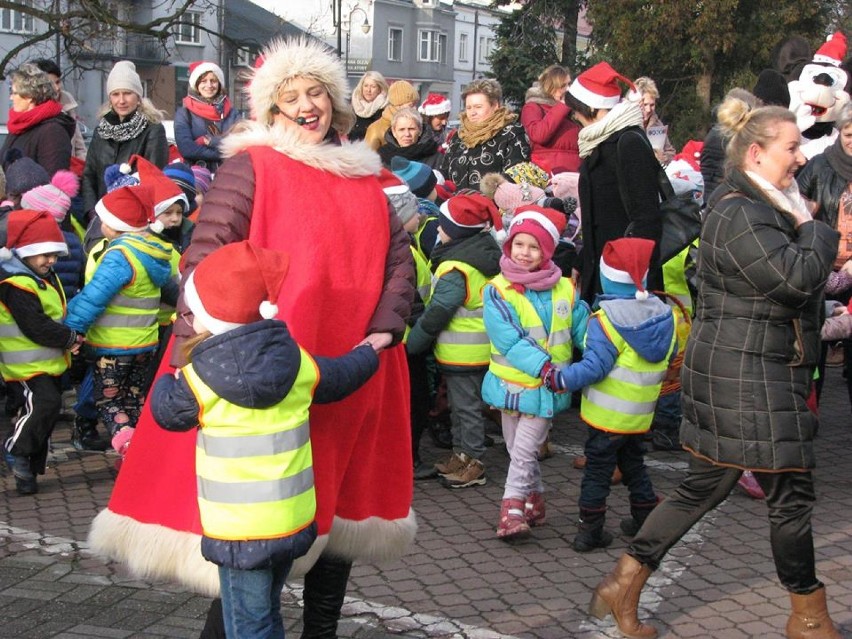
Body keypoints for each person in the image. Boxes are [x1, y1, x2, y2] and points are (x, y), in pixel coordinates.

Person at [86, 37, 416, 639]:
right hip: (268, 364)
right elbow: (206, 259)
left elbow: (400, 263)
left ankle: (320, 632)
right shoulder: (252, 166)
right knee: (261, 524)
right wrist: (204, 346)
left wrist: (384, 331)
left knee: (337, 510)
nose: (306, 105)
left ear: (336, 103)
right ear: (272, 111)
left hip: (355, 362)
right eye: (291, 96)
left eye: (316, 92)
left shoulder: (370, 181)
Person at [589, 97, 841, 639]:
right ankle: (810, 616)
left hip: (749, 368)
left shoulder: (767, 204)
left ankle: (623, 583)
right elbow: (794, 279)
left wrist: (815, 236)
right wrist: (824, 235)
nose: (801, 157)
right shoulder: (741, 210)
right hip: (749, 375)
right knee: (789, 496)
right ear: (756, 153)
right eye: (791, 147)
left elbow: (783, 278)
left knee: (704, 485)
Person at [151, 240, 380, 639]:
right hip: (290, 518)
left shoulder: (197, 381)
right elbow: (341, 376)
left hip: (239, 530)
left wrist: (162, 384)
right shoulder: (297, 363)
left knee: (249, 624)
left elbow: (167, 414)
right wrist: (369, 352)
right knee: (265, 609)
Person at [556, 238, 676, 553]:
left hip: (607, 415)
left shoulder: (606, 321)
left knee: (597, 471)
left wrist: (561, 379)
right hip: (640, 412)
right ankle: (644, 516)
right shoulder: (665, 314)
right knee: (634, 462)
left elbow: (594, 367)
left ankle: (590, 531)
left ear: (607, 276)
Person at [481, 205, 589, 540]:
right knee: (517, 451)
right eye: (519, 244)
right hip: (511, 385)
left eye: (534, 247)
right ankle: (535, 501)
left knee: (524, 452)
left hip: (548, 388)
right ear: (508, 246)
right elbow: (508, 340)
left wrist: (604, 351)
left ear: (547, 251)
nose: (525, 253)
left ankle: (510, 511)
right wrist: (544, 368)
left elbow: (583, 329)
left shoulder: (565, 290)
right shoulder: (496, 290)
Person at [64, 183, 174, 459]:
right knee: (134, 399)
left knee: (109, 401)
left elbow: (94, 296)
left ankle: (128, 450)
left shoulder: (119, 256)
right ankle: (144, 449)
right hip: (145, 344)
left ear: (113, 226)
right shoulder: (151, 253)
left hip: (114, 347)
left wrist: (71, 328)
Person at [407, 193, 503, 489]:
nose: (437, 230)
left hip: (462, 352)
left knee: (466, 409)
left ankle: (473, 462)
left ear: (458, 231)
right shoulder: (482, 254)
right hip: (476, 349)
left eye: (443, 225)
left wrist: (416, 342)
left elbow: (440, 310)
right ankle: (461, 456)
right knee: (463, 407)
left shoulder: (456, 267)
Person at [564, 62, 663, 305]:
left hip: (626, 277)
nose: (575, 116)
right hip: (602, 266)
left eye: (577, 110)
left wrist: (626, 271)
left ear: (594, 107)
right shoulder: (600, 139)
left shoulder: (627, 142)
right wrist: (583, 260)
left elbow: (646, 218)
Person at [0, 209, 81, 494]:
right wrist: (69, 337)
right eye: (44, 254)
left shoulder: (40, 277)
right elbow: (36, 325)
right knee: (45, 405)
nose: (51, 260)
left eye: (54, 254)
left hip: (46, 362)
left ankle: (27, 473)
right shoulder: (16, 284)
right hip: (24, 367)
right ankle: (15, 451)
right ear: (24, 252)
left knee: (44, 415)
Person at [797, 102, 852, 408]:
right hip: (826, 270)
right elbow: (800, 214)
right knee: (815, 344)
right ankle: (811, 410)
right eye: (848, 133)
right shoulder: (819, 166)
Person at [81, 60, 168, 220]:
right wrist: (91, 212)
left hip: (135, 217)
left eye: (127, 93)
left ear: (138, 96)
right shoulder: (102, 130)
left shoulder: (153, 129)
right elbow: (89, 175)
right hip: (100, 215)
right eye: (115, 94)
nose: (121, 100)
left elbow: (153, 177)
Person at [441, 79, 530, 191]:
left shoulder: (511, 133)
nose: (472, 113)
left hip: (493, 206)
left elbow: (515, 178)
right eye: (469, 107)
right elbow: (444, 174)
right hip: (455, 205)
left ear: (495, 105)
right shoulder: (459, 136)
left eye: (478, 107)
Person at [0, 63, 74, 176]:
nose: (11, 97)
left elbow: (53, 182)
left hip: (34, 193)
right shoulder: (17, 125)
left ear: (29, 96)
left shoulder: (52, 131)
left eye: (14, 93)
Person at [174, 61, 241, 171]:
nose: (209, 85)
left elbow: (239, 143)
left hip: (228, 173)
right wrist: (225, 152)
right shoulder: (184, 114)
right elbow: (186, 149)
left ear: (219, 83)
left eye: (213, 81)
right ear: (196, 85)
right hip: (195, 175)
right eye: (203, 81)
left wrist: (209, 141)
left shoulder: (232, 113)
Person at [520, 65, 581, 174]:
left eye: (569, 84)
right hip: (548, 175)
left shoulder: (571, 111)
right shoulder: (534, 106)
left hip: (574, 175)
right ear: (550, 86)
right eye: (563, 85)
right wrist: (563, 105)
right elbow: (539, 135)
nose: (567, 89)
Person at [32, 58, 88, 161]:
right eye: (51, 84)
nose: (57, 88)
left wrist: (79, 170)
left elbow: (79, 147)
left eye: (57, 82)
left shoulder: (67, 105)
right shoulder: (32, 111)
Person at [365, 80, 420, 151]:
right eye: (411, 105)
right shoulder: (376, 129)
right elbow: (367, 158)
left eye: (416, 105)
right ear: (399, 104)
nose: (415, 109)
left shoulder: (418, 125)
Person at [632, 77, 675, 165]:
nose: (648, 109)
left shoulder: (657, 124)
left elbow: (671, 153)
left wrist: (664, 157)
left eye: (652, 105)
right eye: (644, 105)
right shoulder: (624, 122)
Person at [349, 70, 388, 142]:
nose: (368, 90)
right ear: (361, 87)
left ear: (380, 89)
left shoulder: (385, 112)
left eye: (373, 86)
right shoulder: (352, 108)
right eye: (366, 86)